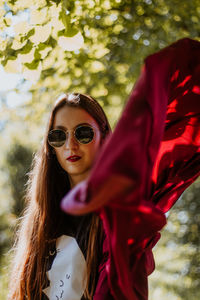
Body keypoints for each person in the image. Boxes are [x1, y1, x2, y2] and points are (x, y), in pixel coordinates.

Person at [8, 93, 112, 300]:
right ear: (51, 148)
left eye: (83, 133)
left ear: (104, 137)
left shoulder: (118, 213)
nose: (70, 145)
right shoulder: (42, 220)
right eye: (59, 135)